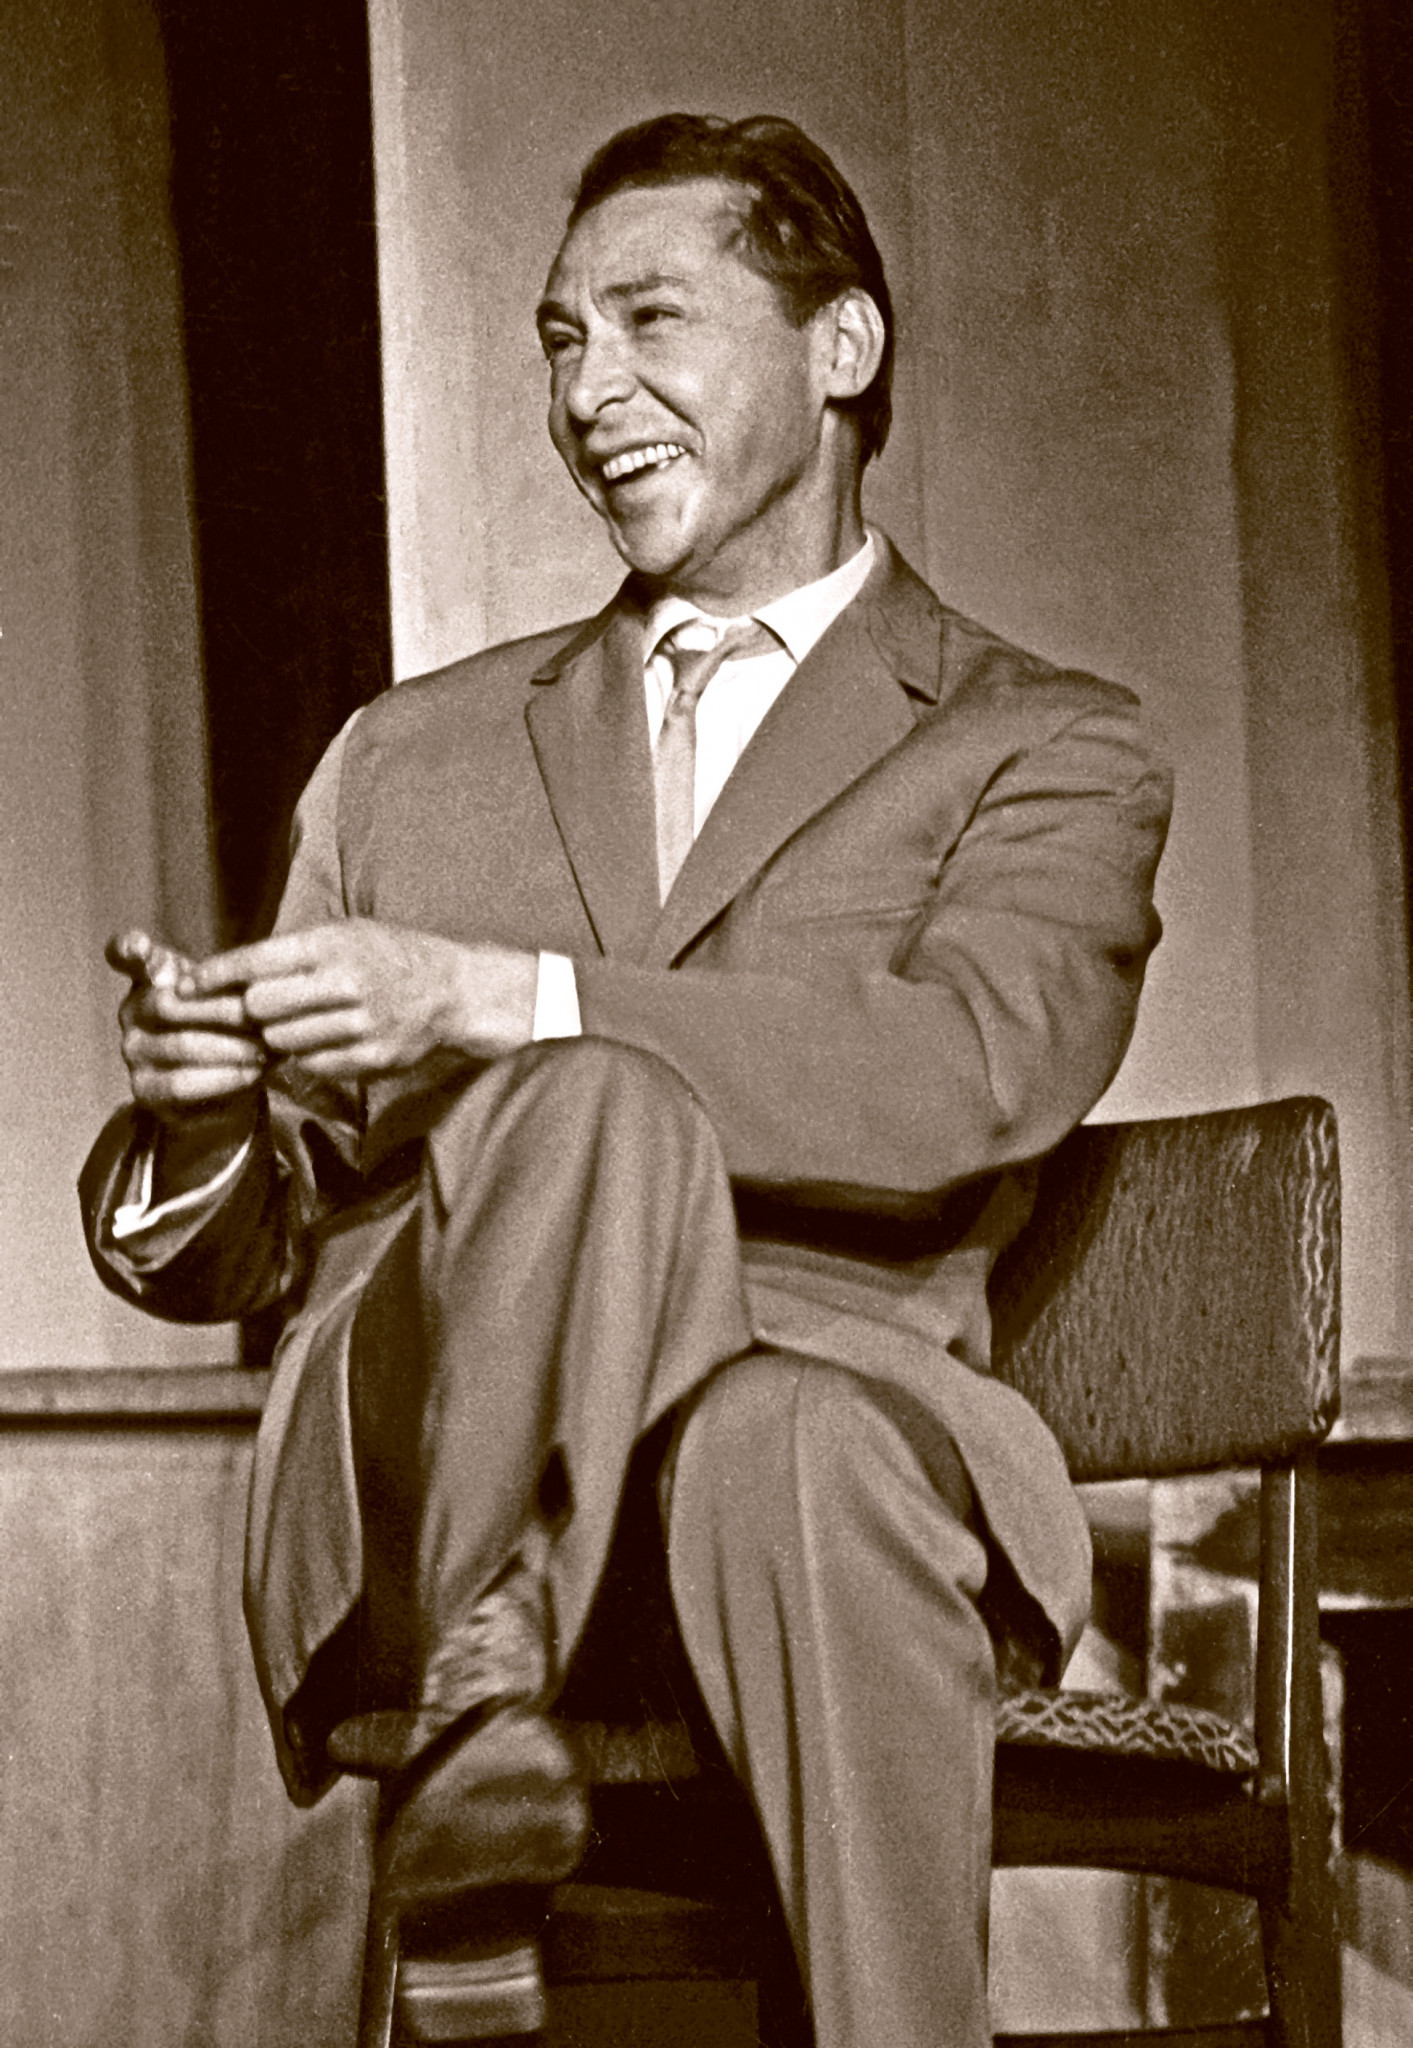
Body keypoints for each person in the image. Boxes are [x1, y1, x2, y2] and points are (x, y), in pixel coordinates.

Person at [81, 113, 1171, 2048]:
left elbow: (965, 1075)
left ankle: (490, 1748)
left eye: (649, 319)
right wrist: (200, 1115)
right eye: (560, 340)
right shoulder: (404, 756)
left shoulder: (1041, 747)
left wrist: (508, 998)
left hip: (821, 1459)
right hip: (422, 1477)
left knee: (787, 1436)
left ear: (840, 347)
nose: (588, 394)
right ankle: (483, 1658)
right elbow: (244, 1251)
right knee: (581, 1098)